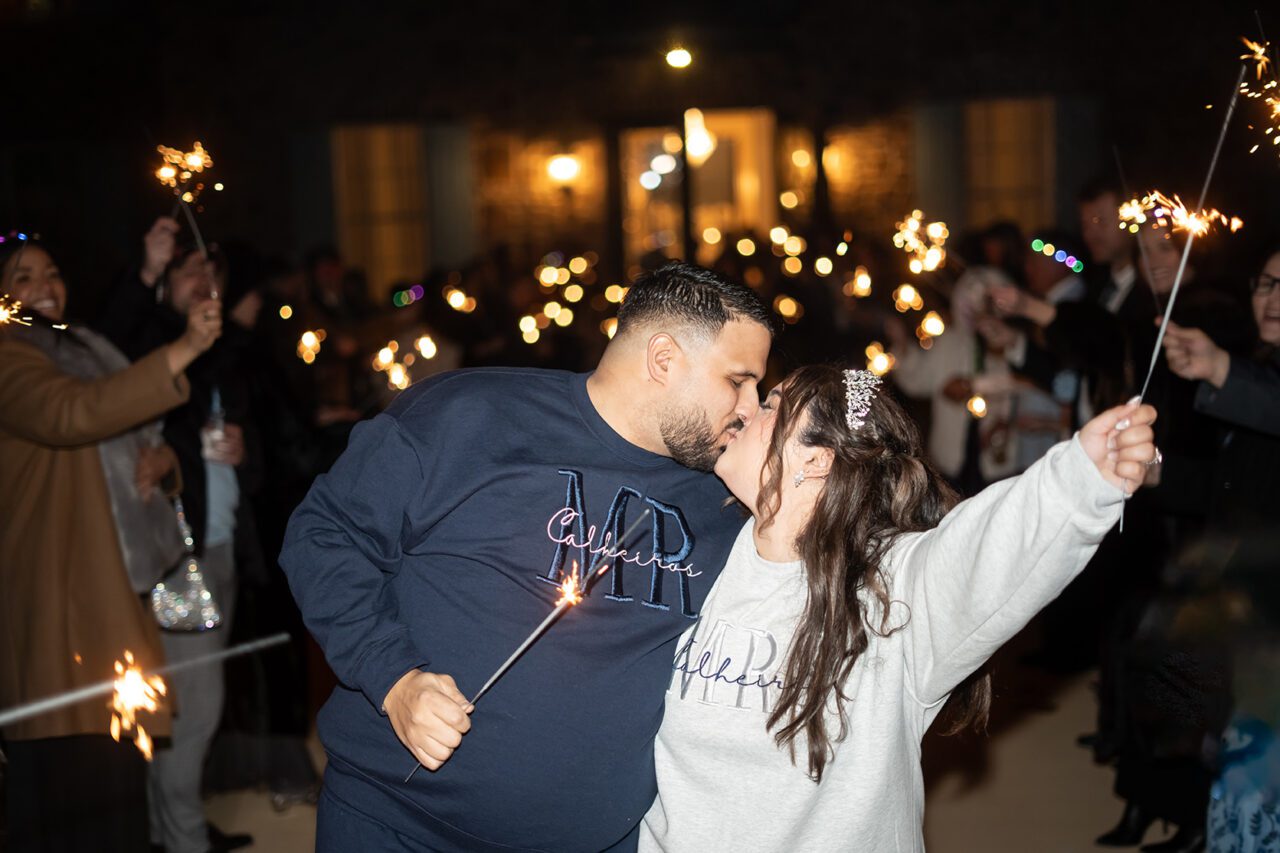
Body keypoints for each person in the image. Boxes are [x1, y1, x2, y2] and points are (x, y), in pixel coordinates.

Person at [280, 262, 775, 852]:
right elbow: (324, 535)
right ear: (663, 359)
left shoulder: (726, 495)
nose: (750, 407)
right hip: (397, 824)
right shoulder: (468, 414)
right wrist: (394, 680)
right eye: (738, 381)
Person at [640, 364, 1159, 851]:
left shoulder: (889, 592)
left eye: (772, 406)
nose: (747, 410)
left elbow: (983, 551)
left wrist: (1082, 476)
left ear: (815, 460)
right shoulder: (697, 552)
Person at [0, 238, 220, 852]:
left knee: (117, 795)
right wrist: (185, 347)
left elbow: (126, 428)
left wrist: (165, 460)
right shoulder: (7, 355)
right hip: (57, 617)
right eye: (22, 277)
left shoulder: (80, 348)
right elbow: (73, 415)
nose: (44, 285)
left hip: (110, 599)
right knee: (74, 804)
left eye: (52, 271)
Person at [98, 223, 261, 853]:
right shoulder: (147, 352)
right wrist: (145, 270)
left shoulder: (227, 354)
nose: (203, 281)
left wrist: (244, 450)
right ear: (164, 285)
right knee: (191, 710)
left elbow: (262, 453)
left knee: (190, 706)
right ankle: (183, 839)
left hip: (220, 548)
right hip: (173, 556)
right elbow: (104, 361)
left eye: (210, 271)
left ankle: (169, 832)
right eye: (188, 270)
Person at [1162, 246, 1280, 853]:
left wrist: (1219, 367)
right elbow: (1226, 484)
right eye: (1265, 283)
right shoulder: (1262, 367)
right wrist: (1156, 472)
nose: (1273, 298)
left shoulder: (1256, 381)